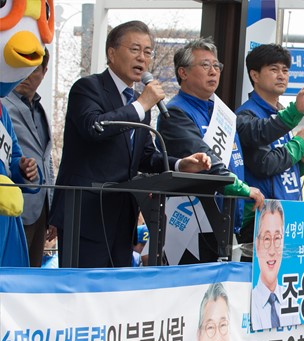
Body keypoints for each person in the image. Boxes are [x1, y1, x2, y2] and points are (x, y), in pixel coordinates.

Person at [50, 21, 211, 268]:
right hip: (84, 214)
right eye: (135, 49)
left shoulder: (138, 102)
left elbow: (146, 156)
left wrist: (181, 164)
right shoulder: (88, 88)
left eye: (148, 52)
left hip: (121, 216)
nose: (142, 58)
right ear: (112, 53)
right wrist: (142, 105)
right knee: (84, 288)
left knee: (117, 288)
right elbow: (94, 127)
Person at [157, 38, 266, 230]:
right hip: (194, 220)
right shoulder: (175, 112)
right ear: (183, 72)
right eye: (205, 65)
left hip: (227, 215)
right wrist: (241, 188)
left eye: (216, 66)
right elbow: (203, 158)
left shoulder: (221, 112)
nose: (213, 71)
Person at [236, 43, 304, 245]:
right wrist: (299, 143)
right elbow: (264, 165)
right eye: (274, 69)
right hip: (260, 219)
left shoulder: (280, 113)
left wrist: (302, 162)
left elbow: (280, 172)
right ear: (255, 75)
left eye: (285, 70)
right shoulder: (246, 115)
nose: (281, 75)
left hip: (288, 215)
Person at [2, 49, 56, 267]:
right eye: (20, 68)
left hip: (39, 207)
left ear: (44, 72)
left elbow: (45, 159)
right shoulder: (5, 103)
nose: (24, 75)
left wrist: (52, 207)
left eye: (32, 70)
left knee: (31, 273)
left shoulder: (40, 109)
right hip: (12, 206)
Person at [251, 199, 299, 330]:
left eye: (277, 238)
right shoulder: (249, 301)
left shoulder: (291, 300)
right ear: (257, 245)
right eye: (267, 239)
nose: (272, 251)